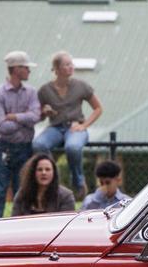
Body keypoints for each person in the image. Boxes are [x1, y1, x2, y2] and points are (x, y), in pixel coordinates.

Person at [33, 51, 102, 198]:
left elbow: (98, 108)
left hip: (75, 126)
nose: (71, 67)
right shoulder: (45, 90)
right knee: (38, 145)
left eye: (71, 64)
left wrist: (84, 126)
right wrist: (45, 112)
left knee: (72, 147)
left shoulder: (81, 86)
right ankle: (53, 179)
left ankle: (78, 183)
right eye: (67, 64)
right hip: (55, 128)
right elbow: (38, 116)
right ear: (56, 69)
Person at [0, 51, 41, 217]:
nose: (29, 71)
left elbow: (36, 116)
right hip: (5, 148)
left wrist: (14, 117)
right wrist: (25, 120)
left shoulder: (31, 92)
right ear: (16, 69)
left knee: (23, 192)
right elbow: (2, 126)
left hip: (25, 148)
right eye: (26, 67)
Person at [10, 153, 76, 216]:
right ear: (33, 172)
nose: (43, 173)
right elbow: (14, 222)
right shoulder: (22, 194)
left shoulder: (66, 197)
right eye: (39, 170)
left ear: (54, 173)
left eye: (48, 169)